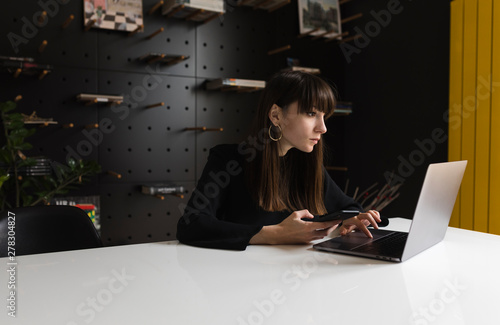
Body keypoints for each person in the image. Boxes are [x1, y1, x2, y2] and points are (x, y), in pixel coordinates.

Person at [177, 70, 381, 250]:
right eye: (311, 113)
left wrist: (352, 219)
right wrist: (276, 234)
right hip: (239, 281)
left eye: (324, 116)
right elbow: (191, 225)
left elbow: (348, 207)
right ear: (276, 115)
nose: (323, 128)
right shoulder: (227, 160)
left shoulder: (308, 165)